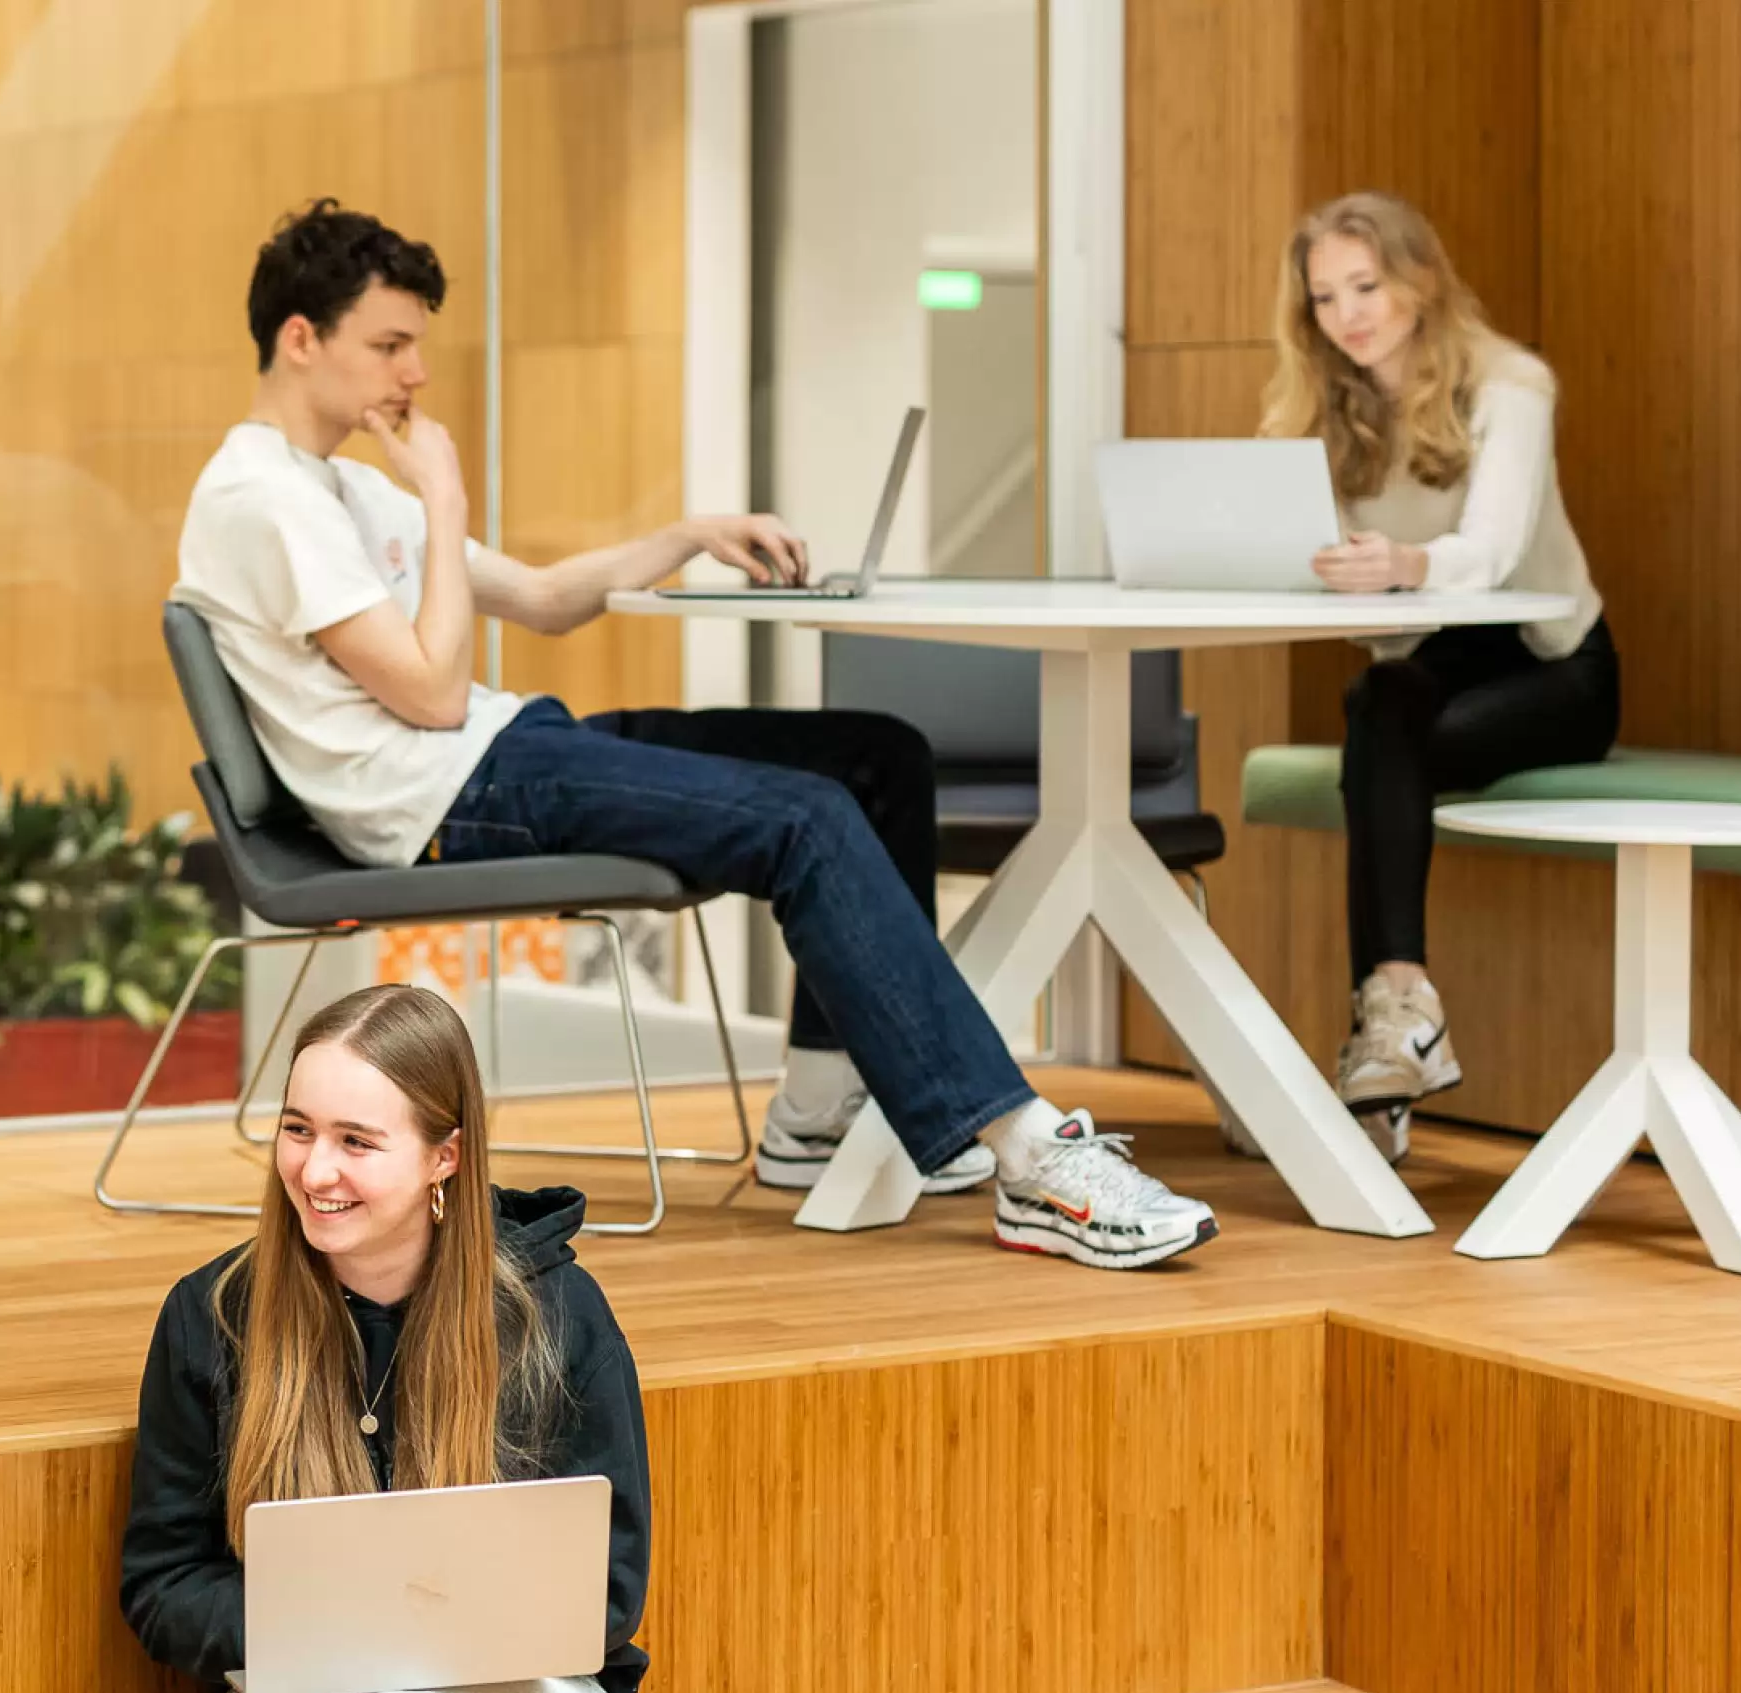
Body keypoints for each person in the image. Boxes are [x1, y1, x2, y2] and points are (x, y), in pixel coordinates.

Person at [174, 199, 1216, 1269]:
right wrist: (442, 500)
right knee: (806, 819)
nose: (415, 376)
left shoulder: (338, 487)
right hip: (441, 802)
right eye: (390, 345)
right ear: (301, 339)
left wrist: (687, 535)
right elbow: (435, 696)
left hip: (500, 757)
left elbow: (536, 598)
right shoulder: (261, 500)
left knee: (877, 755)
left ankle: (813, 1113)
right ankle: (1029, 1157)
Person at [24, 986, 651, 1693]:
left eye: (359, 1141)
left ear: (444, 1157)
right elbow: (162, 1584)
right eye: (299, 1128)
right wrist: (305, 1636)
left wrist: (391, 1664)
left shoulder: (553, 1314)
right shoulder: (214, 1317)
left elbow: (606, 1595)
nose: (316, 1169)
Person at [1263, 191, 1616, 1158]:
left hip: (1557, 667)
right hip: (1429, 665)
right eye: (1326, 298)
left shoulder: (1511, 383)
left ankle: (1384, 1069)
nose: (1349, 316)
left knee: (1383, 745)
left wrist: (1403, 567)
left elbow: (1494, 552)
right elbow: (1348, 588)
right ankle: (1399, 1015)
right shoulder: (1328, 408)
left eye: (1366, 286)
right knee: (1382, 708)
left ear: (1419, 278)